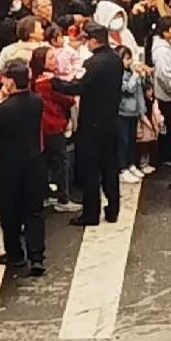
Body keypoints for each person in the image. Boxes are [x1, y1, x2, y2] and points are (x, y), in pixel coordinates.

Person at [55, 20, 124, 225]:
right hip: (111, 120)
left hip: (91, 123)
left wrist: (55, 83)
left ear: (94, 41)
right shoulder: (116, 60)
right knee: (110, 168)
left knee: (90, 169)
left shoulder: (92, 64)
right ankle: (113, 209)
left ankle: (91, 213)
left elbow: (78, 87)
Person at [0, 62, 47, 277]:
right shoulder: (37, 102)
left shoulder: (2, 110)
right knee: (34, 212)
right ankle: (37, 256)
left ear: (10, 81)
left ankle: (16, 254)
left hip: (9, 168)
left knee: (10, 213)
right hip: (34, 164)